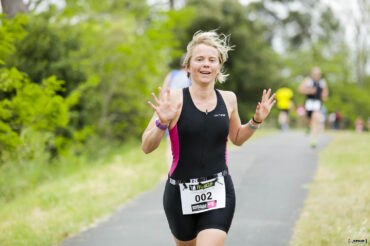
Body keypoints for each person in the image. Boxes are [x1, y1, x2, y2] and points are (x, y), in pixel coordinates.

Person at [141, 30, 276, 246]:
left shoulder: (229, 99)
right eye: (199, 59)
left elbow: (237, 138)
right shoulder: (173, 100)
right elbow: (146, 146)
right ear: (188, 66)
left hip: (219, 190)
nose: (206, 64)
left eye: (212, 60)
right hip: (179, 194)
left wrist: (256, 121)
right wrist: (161, 123)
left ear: (219, 66)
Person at [163, 55, 192, 167]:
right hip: (184, 111)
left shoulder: (172, 74)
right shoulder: (192, 77)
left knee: (170, 144)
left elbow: (164, 92)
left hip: (170, 110)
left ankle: (172, 171)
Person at [298, 67, 329, 148]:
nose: (316, 75)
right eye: (315, 74)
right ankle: (308, 127)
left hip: (317, 104)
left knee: (316, 119)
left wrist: (324, 95)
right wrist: (309, 91)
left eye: (318, 74)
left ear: (320, 74)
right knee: (308, 120)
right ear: (312, 74)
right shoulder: (307, 80)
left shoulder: (323, 82)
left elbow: (326, 92)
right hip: (309, 103)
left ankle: (314, 139)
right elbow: (300, 90)